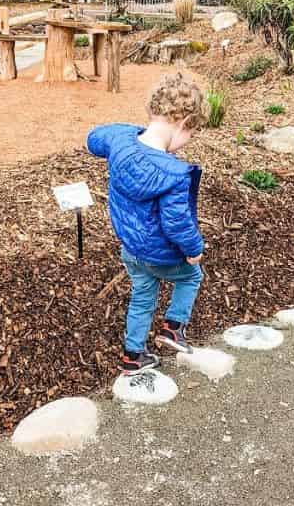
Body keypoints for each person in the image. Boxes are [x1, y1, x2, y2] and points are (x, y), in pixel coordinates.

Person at [87, 73, 207, 375]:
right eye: (190, 135)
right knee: (192, 276)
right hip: (160, 254)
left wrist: (136, 132)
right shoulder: (174, 174)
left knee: (143, 297)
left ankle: (133, 356)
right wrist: (194, 249)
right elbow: (176, 222)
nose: (185, 144)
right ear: (183, 123)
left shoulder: (120, 142)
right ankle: (173, 329)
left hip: (132, 251)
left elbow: (94, 138)